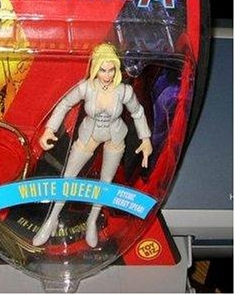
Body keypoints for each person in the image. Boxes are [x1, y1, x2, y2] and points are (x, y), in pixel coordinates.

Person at [33, 43, 153, 247]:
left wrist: (146, 138)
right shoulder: (86, 87)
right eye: (103, 70)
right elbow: (64, 104)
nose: (107, 75)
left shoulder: (124, 91)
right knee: (68, 177)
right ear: (96, 68)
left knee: (105, 183)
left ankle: (92, 220)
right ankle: (52, 218)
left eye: (111, 70)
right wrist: (50, 129)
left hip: (115, 137)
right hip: (89, 135)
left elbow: (138, 112)